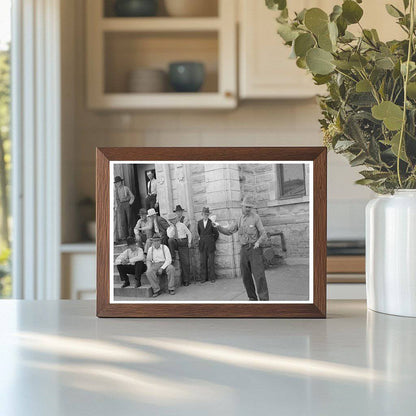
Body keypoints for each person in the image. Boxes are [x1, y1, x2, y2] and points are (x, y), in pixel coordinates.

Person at [215, 195, 269, 301]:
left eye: (250, 207)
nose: (248, 209)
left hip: (254, 250)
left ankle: (264, 300)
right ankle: (252, 298)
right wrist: (217, 226)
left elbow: (264, 234)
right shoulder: (239, 219)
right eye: (246, 207)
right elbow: (229, 231)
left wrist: (258, 242)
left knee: (259, 276)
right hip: (244, 250)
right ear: (242, 206)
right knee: (246, 276)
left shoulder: (255, 217)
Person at [167, 212, 192, 286]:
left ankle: (186, 280)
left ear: (176, 219)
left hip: (183, 242)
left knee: (186, 262)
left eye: (174, 219)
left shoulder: (182, 225)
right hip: (175, 242)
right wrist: (173, 228)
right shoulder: (169, 228)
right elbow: (170, 236)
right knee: (170, 240)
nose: (173, 221)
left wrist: (189, 242)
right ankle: (173, 256)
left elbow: (189, 233)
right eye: (171, 220)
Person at [197, 207, 219, 283]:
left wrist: (212, 240)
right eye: (204, 214)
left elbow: (216, 234)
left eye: (207, 214)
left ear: (208, 215)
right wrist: (203, 239)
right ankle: (203, 278)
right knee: (203, 262)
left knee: (211, 262)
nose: (205, 216)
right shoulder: (199, 222)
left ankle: (212, 277)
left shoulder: (211, 222)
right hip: (202, 244)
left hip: (210, 245)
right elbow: (199, 233)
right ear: (202, 214)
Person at [114, 176, 135, 240]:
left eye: (119, 182)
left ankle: (130, 235)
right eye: (116, 183)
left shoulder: (126, 188)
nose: (118, 183)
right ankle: (125, 236)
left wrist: (130, 203)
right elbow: (117, 199)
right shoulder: (116, 190)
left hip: (127, 204)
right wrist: (118, 205)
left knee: (129, 220)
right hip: (121, 205)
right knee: (122, 221)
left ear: (121, 182)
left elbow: (132, 196)